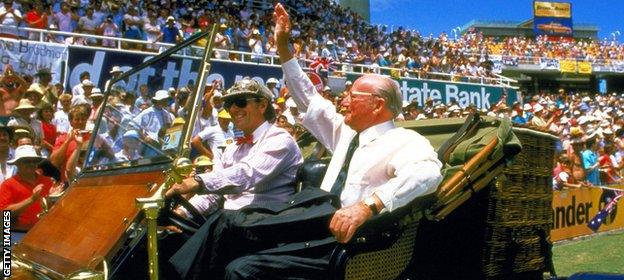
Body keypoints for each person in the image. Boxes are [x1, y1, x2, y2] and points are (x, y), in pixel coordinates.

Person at [168, 4, 442, 279]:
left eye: (352, 95)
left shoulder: (404, 140)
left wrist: (367, 206)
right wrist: (283, 46)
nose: (343, 101)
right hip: (311, 214)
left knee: (239, 265)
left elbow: (427, 173)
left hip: (346, 237)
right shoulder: (345, 134)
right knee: (226, 225)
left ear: (377, 105)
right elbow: (307, 97)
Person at [0, 145, 53, 232]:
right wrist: (32, 199)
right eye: (27, 161)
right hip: (15, 234)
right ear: (17, 163)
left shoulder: (47, 181)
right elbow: (3, 214)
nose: (31, 164)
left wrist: (56, 198)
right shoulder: (8, 184)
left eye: (34, 161)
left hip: (43, 232)